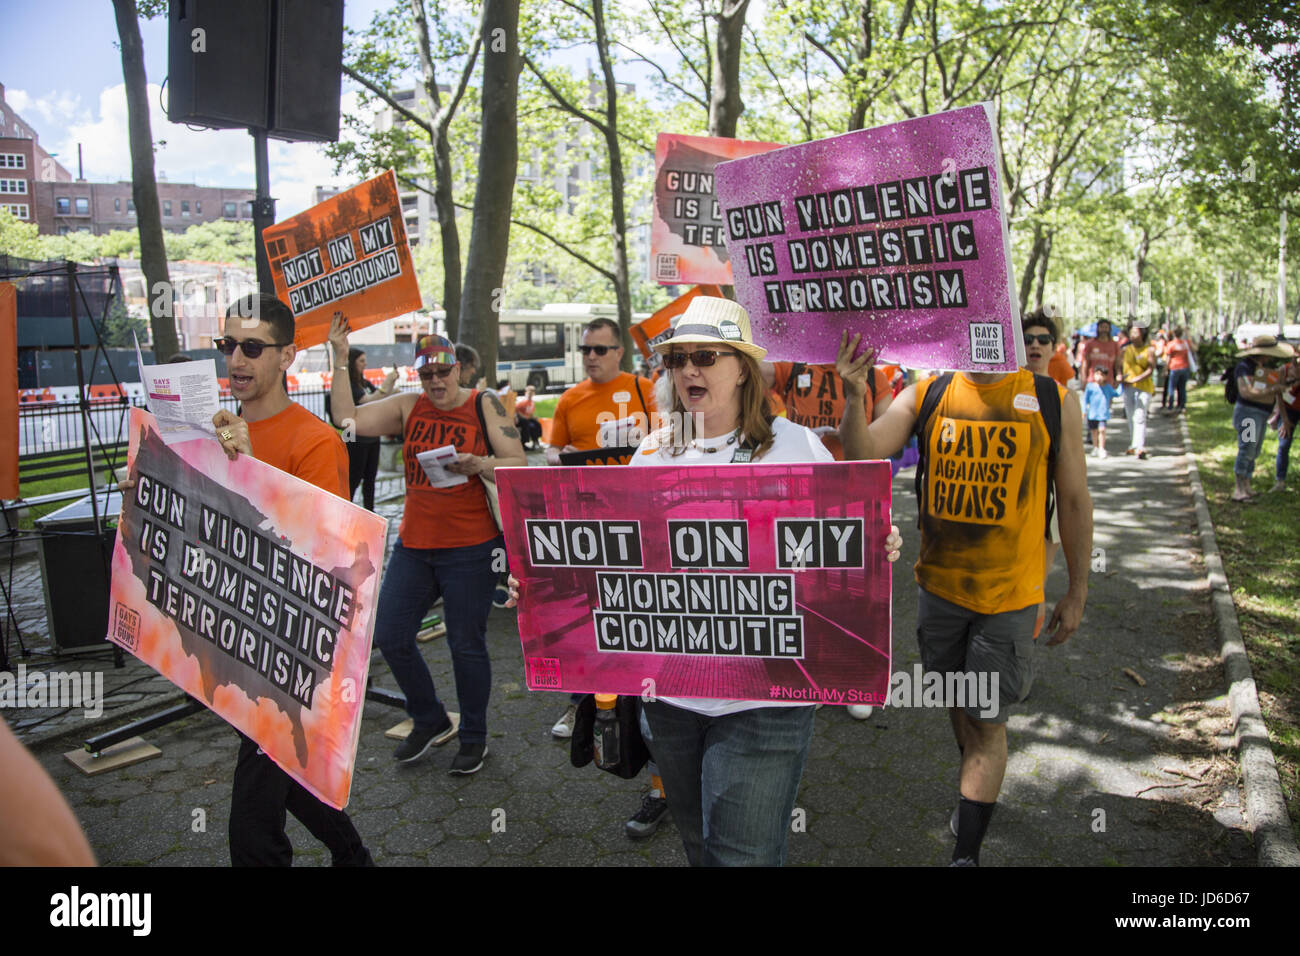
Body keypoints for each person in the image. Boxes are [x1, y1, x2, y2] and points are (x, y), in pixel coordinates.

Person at [512, 296, 901, 866]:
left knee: (741, 856)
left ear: (742, 366)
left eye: (704, 356)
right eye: (677, 359)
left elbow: (840, 548)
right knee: (699, 848)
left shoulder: (798, 448)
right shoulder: (651, 455)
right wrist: (543, 582)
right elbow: (620, 563)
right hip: (669, 699)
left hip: (766, 699)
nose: (689, 369)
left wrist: (877, 547)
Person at [839, 327, 1092, 867]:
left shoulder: (1051, 400)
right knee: (959, 703)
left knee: (986, 719)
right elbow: (863, 455)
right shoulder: (928, 392)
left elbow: (1072, 499)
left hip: (1010, 598)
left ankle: (966, 853)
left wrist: (1077, 590)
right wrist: (853, 395)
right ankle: (972, 782)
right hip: (939, 593)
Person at [210, 294, 374, 866]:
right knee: (285, 770)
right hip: (234, 630)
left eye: (252, 347)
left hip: (292, 648)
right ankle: (353, 856)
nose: (236, 359)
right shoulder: (214, 432)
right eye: (227, 344)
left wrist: (251, 471)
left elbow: (320, 560)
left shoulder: (315, 442)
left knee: (252, 826)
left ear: (286, 357)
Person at [329, 315, 526, 773]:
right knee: (391, 637)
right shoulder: (407, 407)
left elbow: (517, 464)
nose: (435, 382)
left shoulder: (485, 403)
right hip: (415, 547)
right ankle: (430, 717)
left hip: (471, 548)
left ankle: (474, 735)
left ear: (458, 368)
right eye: (427, 374)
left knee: (465, 644)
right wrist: (340, 359)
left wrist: (479, 463)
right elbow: (347, 422)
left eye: (443, 371)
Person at [544, 316, 663, 837]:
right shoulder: (570, 400)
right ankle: (592, 703)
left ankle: (663, 782)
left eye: (599, 349)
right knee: (607, 637)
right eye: (585, 349)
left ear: (620, 353)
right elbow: (553, 456)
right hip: (595, 538)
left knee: (658, 655)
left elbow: (666, 448)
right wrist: (559, 459)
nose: (590, 357)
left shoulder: (644, 392)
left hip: (649, 539)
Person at [760, 348, 892, 721]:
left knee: (857, 584)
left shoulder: (874, 377)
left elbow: (885, 438)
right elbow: (753, 371)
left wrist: (854, 430)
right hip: (804, 495)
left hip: (854, 493)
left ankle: (857, 674)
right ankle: (814, 670)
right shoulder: (796, 365)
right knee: (807, 585)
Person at [1231, 334, 1295, 501]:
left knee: (1255, 449)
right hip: (1248, 415)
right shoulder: (1244, 368)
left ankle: (1247, 484)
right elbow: (1246, 392)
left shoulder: (1263, 369)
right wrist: (1271, 390)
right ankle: (1239, 488)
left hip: (1260, 414)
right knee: (1247, 448)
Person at [338, 347, 398, 511]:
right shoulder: (349, 385)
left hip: (372, 436)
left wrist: (391, 383)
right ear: (352, 363)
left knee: (370, 479)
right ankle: (345, 509)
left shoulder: (363, 383)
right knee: (354, 478)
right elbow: (368, 400)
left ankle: (370, 512)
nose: (365, 364)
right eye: (361, 361)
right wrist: (386, 383)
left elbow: (381, 398)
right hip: (355, 437)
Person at [1118, 324, 1156, 458]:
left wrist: (1136, 379)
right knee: (1131, 415)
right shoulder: (1125, 349)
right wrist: (1119, 376)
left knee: (1140, 416)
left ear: (1142, 334)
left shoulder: (1149, 350)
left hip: (1144, 387)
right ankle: (1135, 444)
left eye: (1136, 332)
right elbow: (1118, 366)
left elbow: (1150, 369)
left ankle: (1139, 446)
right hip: (1128, 387)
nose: (1133, 335)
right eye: (1131, 332)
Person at [1273, 354, 1300, 492]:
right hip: (1288, 410)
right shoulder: (1284, 369)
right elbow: (1279, 394)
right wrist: (1284, 419)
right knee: (1284, 443)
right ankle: (1280, 481)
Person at [1084, 365, 1120, 458]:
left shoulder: (1107, 387)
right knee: (1094, 431)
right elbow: (1085, 399)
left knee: (1102, 430)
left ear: (1105, 376)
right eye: (1097, 374)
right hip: (1092, 414)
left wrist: (1121, 383)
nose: (1099, 377)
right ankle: (1095, 447)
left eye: (1102, 374)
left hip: (1103, 414)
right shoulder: (1090, 386)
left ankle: (1101, 448)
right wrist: (1083, 410)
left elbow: (1116, 394)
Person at [1078, 319, 1120, 387]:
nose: (1103, 330)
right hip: (1092, 381)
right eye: (1101, 327)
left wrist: (1118, 376)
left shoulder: (1114, 345)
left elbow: (1117, 364)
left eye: (1106, 327)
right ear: (1098, 328)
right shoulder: (1090, 344)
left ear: (1109, 329)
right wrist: (1083, 378)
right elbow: (1085, 362)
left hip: (1108, 382)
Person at [1162, 327, 1193, 414]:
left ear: (1174, 334)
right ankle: (1182, 406)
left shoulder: (1171, 344)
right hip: (1184, 368)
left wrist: (1165, 369)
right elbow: (1195, 347)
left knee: (1171, 388)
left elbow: (1168, 358)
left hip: (1174, 368)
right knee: (1182, 388)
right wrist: (1188, 334)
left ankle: (1170, 406)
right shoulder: (1185, 343)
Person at [515, 383, 543, 449]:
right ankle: (526, 443)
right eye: (529, 392)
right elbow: (517, 410)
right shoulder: (522, 402)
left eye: (532, 392)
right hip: (523, 420)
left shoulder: (532, 403)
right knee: (531, 426)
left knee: (537, 424)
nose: (531, 393)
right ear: (526, 393)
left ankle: (536, 441)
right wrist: (523, 416)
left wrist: (534, 417)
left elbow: (530, 413)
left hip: (528, 419)